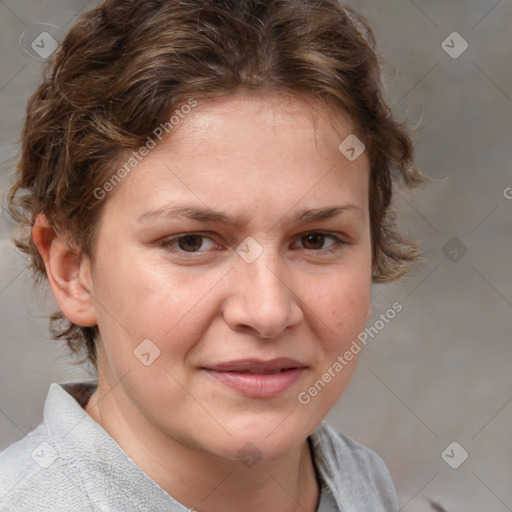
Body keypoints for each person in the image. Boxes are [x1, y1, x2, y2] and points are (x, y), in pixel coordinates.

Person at [0, 0, 423, 510]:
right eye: (191, 242)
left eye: (316, 239)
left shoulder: (377, 491)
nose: (268, 311)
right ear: (73, 272)